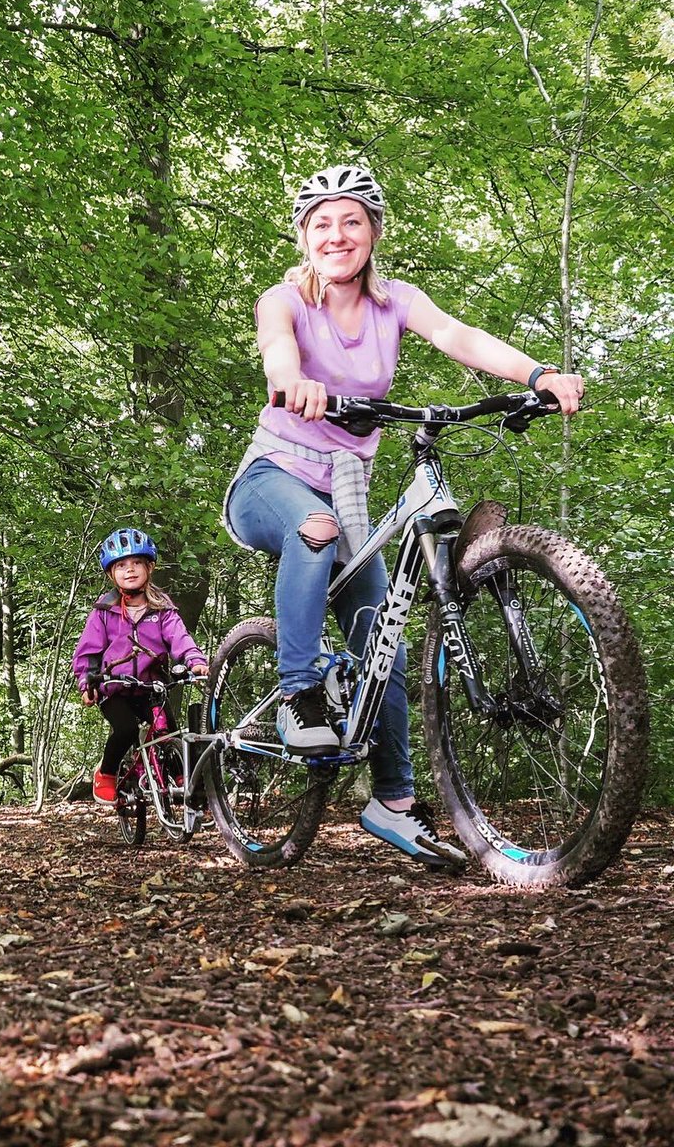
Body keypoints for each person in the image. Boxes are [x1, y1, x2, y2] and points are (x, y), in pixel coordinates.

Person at [222, 164, 584, 866]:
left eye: (351, 220)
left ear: (373, 233)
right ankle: (299, 695)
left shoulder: (396, 302)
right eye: (322, 222)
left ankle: (392, 801)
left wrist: (538, 376)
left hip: (347, 484)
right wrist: (291, 380)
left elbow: (461, 336)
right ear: (304, 237)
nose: (337, 234)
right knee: (313, 528)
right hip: (273, 478)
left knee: (380, 627)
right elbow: (277, 351)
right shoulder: (283, 299)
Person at [71, 528, 209, 805]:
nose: (130, 570)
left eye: (136, 563)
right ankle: (106, 773)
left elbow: (180, 639)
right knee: (125, 730)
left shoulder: (162, 610)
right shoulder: (103, 612)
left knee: (167, 732)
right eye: (121, 565)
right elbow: (88, 651)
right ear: (111, 574)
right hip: (114, 688)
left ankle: (184, 781)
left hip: (151, 686)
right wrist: (87, 682)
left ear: (150, 567)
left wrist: (195, 661)